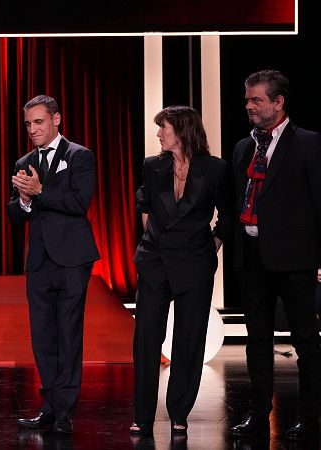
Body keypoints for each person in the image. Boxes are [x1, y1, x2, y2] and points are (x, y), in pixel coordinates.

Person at [229, 69, 321, 442]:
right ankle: (257, 414)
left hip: (296, 260)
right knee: (257, 341)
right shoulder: (243, 146)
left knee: (306, 341)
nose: (249, 106)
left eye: (257, 100)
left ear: (278, 103)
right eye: (248, 99)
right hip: (252, 259)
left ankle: (311, 417)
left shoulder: (308, 143)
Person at [128, 106, 232, 437]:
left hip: (194, 264)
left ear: (183, 131)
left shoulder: (215, 169)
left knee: (189, 340)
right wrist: (153, 242)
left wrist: (209, 246)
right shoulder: (152, 166)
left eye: (164, 128)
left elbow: (228, 216)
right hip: (155, 262)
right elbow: (144, 207)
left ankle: (179, 412)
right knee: (146, 340)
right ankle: (142, 415)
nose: (159, 134)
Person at [9, 94, 99, 435]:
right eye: (28, 124)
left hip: (73, 260)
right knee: (43, 336)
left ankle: (64, 409)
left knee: (68, 335)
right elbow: (14, 214)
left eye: (39, 122)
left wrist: (40, 191)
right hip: (39, 261)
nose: (33, 130)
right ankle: (49, 405)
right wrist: (24, 199)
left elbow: (79, 202)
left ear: (56, 119)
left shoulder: (80, 155)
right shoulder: (24, 160)